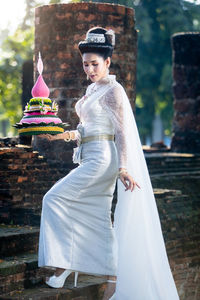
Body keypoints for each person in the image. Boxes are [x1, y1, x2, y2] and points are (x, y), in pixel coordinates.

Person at [38, 27, 180, 300]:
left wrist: (124, 168)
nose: (89, 69)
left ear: (107, 62)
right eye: (85, 64)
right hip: (88, 155)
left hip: (103, 161)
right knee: (98, 216)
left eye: (94, 64)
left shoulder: (113, 91)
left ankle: (63, 263)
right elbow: (86, 128)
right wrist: (61, 135)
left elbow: (123, 133)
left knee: (53, 198)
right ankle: (112, 277)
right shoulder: (92, 89)